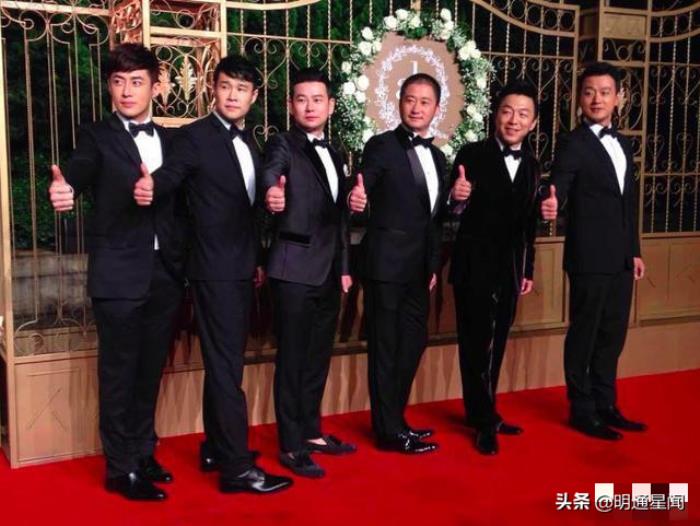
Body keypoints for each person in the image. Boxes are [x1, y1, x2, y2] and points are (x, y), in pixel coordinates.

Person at [134, 54, 293, 493]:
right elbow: (171, 176)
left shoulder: (250, 142)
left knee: (226, 364)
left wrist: (256, 259)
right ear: (213, 89)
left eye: (241, 89)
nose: (232, 96)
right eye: (225, 87)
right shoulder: (195, 137)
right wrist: (152, 186)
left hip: (240, 267)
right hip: (213, 268)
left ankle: (216, 448)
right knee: (226, 369)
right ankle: (237, 469)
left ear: (253, 96)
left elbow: (247, 210)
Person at [48, 43, 186, 500]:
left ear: (156, 87)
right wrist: (65, 188)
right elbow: (79, 168)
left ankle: (143, 451)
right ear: (109, 87)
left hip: (165, 273)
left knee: (150, 370)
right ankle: (120, 467)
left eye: (137, 81)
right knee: (119, 373)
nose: (127, 91)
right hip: (118, 274)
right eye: (118, 82)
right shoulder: (97, 136)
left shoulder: (171, 141)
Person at [540, 62, 647, 440]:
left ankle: (606, 404)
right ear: (579, 98)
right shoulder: (573, 143)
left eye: (604, 92)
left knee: (612, 335)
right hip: (588, 257)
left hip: (621, 258)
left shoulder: (624, 144)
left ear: (619, 98)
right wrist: (551, 202)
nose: (596, 99)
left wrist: (634, 251)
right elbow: (559, 185)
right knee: (584, 335)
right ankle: (582, 410)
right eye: (588, 92)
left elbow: (627, 202)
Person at [262, 68, 356, 478]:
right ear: (291, 106)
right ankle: (290, 444)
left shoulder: (335, 152)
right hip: (293, 269)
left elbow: (339, 219)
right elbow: (271, 172)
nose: (310, 106)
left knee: (318, 357)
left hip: (329, 272)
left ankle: (312, 432)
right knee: (292, 359)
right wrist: (272, 191)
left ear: (330, 105)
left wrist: (344, 267)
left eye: (317, 99)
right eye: (301, 99)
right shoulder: (282, 143)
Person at [348, 73, 446, 454]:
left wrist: (433, 265)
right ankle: (388, 430)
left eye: (424, 101)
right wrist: (357, 195)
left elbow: (433, 220)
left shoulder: (438, 157)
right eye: (410, 100)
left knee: (413, 343)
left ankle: (395, 419)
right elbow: (364, 182)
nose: (416, 107)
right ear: (399, 102)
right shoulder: (382, 145)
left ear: (436, 108)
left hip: (419, 271)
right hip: (385, 267)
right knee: (385, 349)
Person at [448, 80, 541, 455]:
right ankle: (483, 421)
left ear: (533, 122)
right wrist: (456, 198)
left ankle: (485, 411)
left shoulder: (533, 165)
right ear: (496, 115)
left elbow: (529, 225)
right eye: (507, 111)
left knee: (496, 345)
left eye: (523, 114)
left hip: (510, 270)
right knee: (475, 346)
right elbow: (450, 210)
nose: (514, 120)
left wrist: (528, 269)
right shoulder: (472, 153)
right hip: (474, 266)